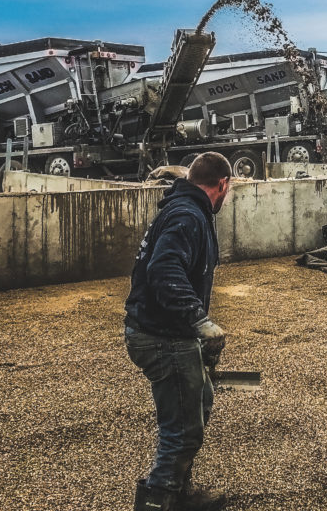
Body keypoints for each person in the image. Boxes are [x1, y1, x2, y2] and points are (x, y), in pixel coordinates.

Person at [125, 152, 233, 511]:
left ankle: (179, 493)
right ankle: (157, 502)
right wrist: (198, 320)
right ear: (223, 185)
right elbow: (164, 269)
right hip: (162, 336)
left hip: (167, 331)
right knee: (182, 430)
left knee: (196, 406)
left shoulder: (185, 205)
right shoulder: (188, 215)